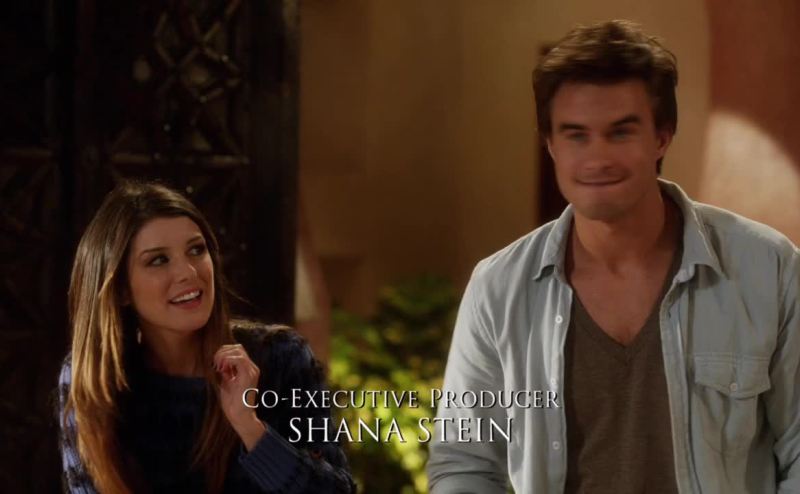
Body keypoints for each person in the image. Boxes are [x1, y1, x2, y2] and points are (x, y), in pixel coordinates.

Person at [427, 19, 800, 493]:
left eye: (620, 133)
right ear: (550, 144)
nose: (597, 158)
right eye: (576, 135)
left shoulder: (768, 268)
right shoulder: (499, 288)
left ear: (661, 136)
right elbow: (464, 461)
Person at [57, 181, 356, 493]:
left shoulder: (282, 358)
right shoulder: (89, 378)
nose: (189, 272)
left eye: (196, 250)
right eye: (158, 260)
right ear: (120, 289)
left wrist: (249, 426)